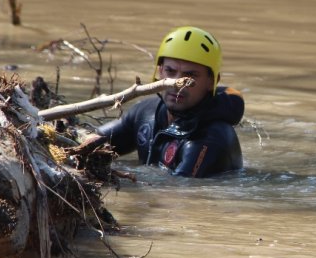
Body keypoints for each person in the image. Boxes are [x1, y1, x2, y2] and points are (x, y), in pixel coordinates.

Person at [96, 26, 244, 177]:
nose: (176, 83)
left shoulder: (211, 138)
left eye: (190, 76)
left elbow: (174, 193)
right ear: (160, 71)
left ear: (211, 82)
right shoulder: (146, 112)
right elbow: (92, 140)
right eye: (170, 71)